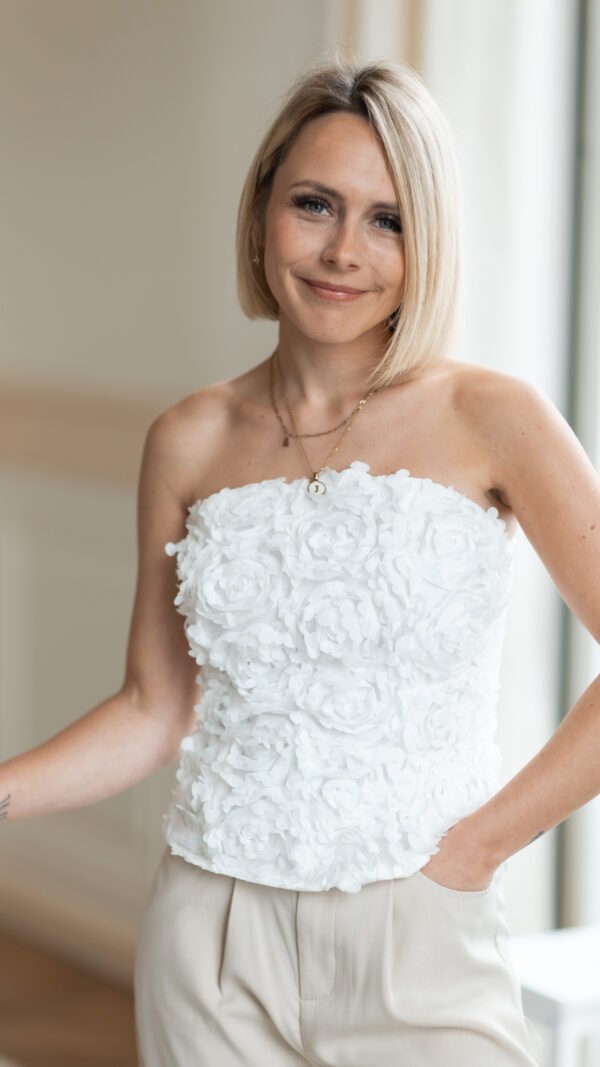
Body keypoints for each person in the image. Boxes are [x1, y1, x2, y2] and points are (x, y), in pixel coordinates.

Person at [3, 51, 600, 1067]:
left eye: (388, 218)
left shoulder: (493, 419)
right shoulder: (187, 437)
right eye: (315, 203)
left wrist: (479, 846)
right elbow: (154, 704)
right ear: (261, 213)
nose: (342, 250)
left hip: (425, 929)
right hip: (211, 937)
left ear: (429, 240)